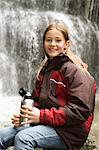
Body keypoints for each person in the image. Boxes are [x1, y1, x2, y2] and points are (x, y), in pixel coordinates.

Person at [0, 21, 96, 150]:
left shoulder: (76, 72)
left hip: (69, 132)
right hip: (48, 123)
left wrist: (41, 116)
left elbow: (80, 111)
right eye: (49, 40)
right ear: (43, 43)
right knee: (1, 135)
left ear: (66, 44)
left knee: (23, 138)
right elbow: (38, 102)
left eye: (58, 40)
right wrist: (27, 117)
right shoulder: (45, 70)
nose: (53, 44)